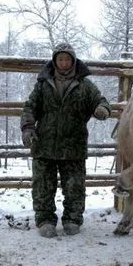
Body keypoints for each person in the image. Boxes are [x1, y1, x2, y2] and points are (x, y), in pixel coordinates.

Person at [20, 42, 111, 238]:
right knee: (43, 185)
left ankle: (72, 219)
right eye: (60, 59)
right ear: (54, 61)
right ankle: (45, 220)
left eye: (67, 59)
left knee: (74, 186)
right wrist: (28, 128)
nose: (63, 63)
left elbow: (101, 101)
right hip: (44, 144)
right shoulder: (43, 84)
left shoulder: (85, 85)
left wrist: (102, 110)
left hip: (73, 145)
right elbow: (30, 107)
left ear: (73, 61)